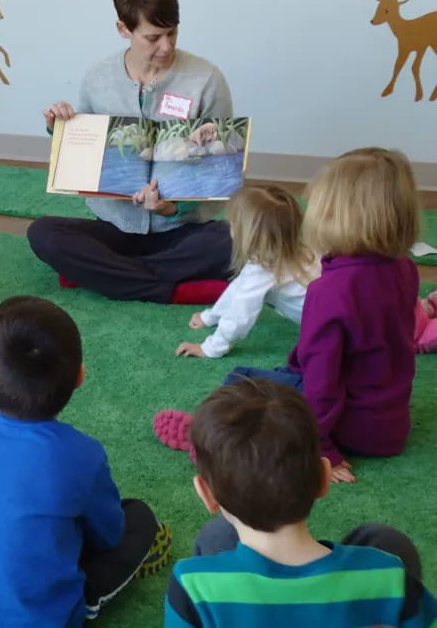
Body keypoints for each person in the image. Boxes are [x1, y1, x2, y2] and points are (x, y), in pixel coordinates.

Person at [155, 148, 421, 484]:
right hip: (389, 426)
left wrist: (320, 446)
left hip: (348, 424)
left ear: (334, 217)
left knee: (241, 381)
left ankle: (212, 440)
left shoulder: (331, 291)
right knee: (284, 376)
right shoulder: (405, 269)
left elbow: (322, 383)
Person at [0, 296, 173, 627]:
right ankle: (89, 598)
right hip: (43, 618)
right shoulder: (85, 454)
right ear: (81, 377)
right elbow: (108, 537)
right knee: (139, 517)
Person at [28, 0, 234, 305]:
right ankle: (175, 288)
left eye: (172, 33)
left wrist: (173, 208)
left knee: (239, 240)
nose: (166, 47)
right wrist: (60, 128)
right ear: (124, 29)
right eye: (153, 38)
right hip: (115, 228)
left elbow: (220, 177)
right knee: (43, 234)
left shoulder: (207, 79)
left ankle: (104, 275)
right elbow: (85, 159)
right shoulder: (98, 77)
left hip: (180, 231)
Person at [164, 377, 437, 627]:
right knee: (385, 540)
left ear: (207, 494)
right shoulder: (390, 576)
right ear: (324, 477)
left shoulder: (192, 587)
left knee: (218, 534)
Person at [175, 186, 317, 359]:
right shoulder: (290, 250)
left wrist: (211, 348)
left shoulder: (265, 270)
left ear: (248, 235)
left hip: (331, 321)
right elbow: (238, 287)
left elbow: (240, 315)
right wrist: (211, 317)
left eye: (233, 224)